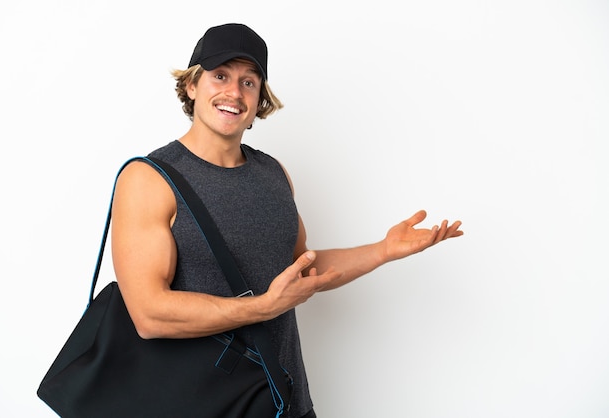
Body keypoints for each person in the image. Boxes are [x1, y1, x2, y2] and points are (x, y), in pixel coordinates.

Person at [111, 23, 463, 418]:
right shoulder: (149, 179)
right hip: (196, 406)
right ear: (192, 85)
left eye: (249, 81)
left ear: (260, 97)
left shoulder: (273, 173)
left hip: (283, 403)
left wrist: (382, 250)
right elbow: (149, 314)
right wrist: (262, 307)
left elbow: (302, 269)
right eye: (220, 76)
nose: (234, 92)